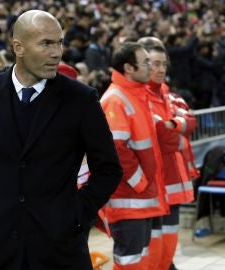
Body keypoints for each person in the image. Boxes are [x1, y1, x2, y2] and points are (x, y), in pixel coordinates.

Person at [0, 10, 123, 270]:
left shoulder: (81, 99)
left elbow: (109, 169)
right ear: (18, 47)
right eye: (46, 43)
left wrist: (76, 216)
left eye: (59, 42)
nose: (57, 52)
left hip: (61, 250)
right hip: (0, 247)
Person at [99, 42, 168, 270]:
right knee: (130, 263)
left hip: (142, 198)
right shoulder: (116, 99)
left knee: (143, 261)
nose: (150, 67)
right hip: (129, 200)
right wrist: (140, 182)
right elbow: (115, 150)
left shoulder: (138, 94)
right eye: (145, 62)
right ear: (129, 68)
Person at [138, 37, 198, 270]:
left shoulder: (171, 95)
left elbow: (190, 121)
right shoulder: (139, 98)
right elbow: (166, 138)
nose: (160, 69)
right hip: (152, 184)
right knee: (151, 246)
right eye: (154, 63)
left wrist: (172, 124)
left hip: (173, 182)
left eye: (164, 63)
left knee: (168, 242)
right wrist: (176, 129)